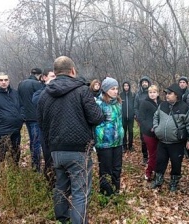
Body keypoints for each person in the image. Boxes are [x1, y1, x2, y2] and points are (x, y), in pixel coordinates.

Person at [37, 56, 104, 224]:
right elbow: (96, 117)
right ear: (73, 71)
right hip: (78, 150)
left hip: (56, 150)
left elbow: (41, 123)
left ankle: (62, 219)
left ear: (55, 72)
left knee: (61, 186)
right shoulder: (82, 91)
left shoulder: (44, 94)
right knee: (80, 191)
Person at [151, 83, 189, 192]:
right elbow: (156, 116)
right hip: (162, 141)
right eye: (166, 93)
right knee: (160, 161)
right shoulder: (163, 105)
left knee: (176, 164)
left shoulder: (184, 108)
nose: (167, 95)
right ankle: (158, 181)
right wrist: (156, 128)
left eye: (169, 93)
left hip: (176, 143)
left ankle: (174, 183)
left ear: (176, 95)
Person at [94, 77, 124, 196]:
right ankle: (106, 193)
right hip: (104, 143)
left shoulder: (118, 102)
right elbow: (96, 124)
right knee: (106, 170)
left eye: (117, 88)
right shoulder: (98, 103)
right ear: (106, 90)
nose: (116, 91)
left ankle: (116, 191)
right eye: (112, 89)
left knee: (117, 168)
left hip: (117, 142)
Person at [32, 68, 56, 187]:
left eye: (56, 77)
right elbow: (35, 101)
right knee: (49, 160)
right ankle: (50, 185)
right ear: (44, 78)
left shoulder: (60, 92)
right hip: (45, 132)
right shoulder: (40, 92)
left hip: (59, 131)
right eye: (52, 76)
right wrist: (48, 88)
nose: (54, 79)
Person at [18, 68, 44, 172]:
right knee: (36, 142)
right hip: (35, 118)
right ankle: (36, 167)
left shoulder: (21, 84)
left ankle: (34, 165)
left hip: (25, 117)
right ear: (40, 75)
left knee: (32, 140)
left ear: (30, 73)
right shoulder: (37, 85)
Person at [138, 85, 161, 181]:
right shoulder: (144, 103)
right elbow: (141, 119)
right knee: (152, 154)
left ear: (158, 93)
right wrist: (149, 127)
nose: (152, 94)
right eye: (150, 92)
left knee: (159, 153)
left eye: (154, 92)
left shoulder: (161, 103)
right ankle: (148, 172)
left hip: (160, 132)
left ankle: (157, 171)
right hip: (149, 133)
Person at [134, 76, 152, 165]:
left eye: (146, 82)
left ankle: (153, 156)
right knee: (143, 140)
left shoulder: (151, 93)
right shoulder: (138, 94)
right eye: (143, 82)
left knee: (152, 138)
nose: (144, 83)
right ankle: (145, 157)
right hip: (142, 120)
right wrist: (138, 117)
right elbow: (135, 107)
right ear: (141, 84)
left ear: (148, 83)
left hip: (152, 120)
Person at [119, 81, 135, 152]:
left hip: (131, 117)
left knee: (131, 131)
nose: (126, 87)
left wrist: (134, 114)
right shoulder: (120, 95)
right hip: (123, 117)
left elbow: (134, 105)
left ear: (129, 86)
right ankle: (124, 146)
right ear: (123, 87)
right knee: (124, 132)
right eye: (125, 86)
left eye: (127, 86)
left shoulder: (132, 94)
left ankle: (130, 146)